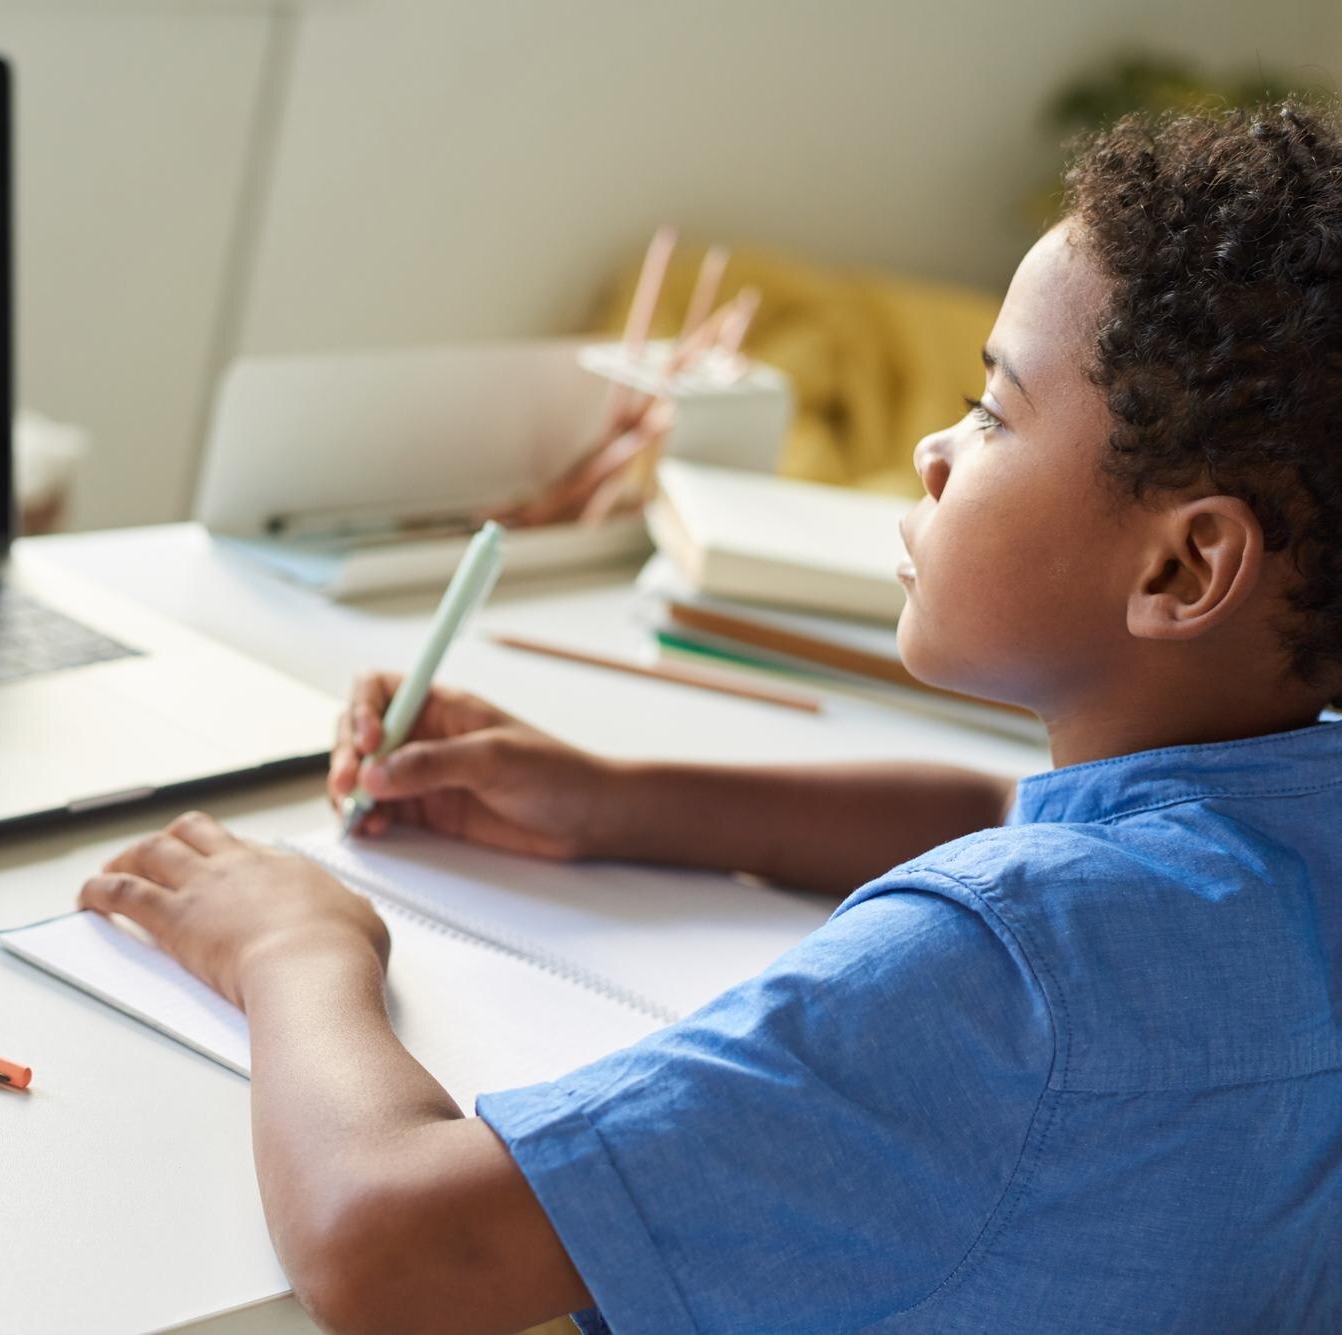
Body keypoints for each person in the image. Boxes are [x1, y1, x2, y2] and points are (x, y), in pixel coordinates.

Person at [74, 101, 1342, 1332]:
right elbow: (986, 814)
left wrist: (292, 947)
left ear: (1182, 569)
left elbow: (392, 1247)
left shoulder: (995, 971)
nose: (933, 453)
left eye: (992, 411)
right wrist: (610, 802)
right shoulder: (1258, 838)